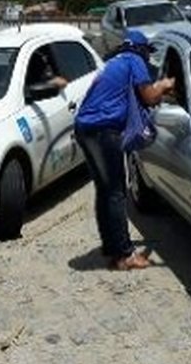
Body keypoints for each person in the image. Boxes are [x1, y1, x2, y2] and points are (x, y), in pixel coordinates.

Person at [74, 29, 175, 271]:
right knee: (117, 192)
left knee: (106, 190)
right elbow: (149, 97)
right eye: (147, 53)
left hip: (85, 128)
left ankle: (112, 246)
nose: (148, 59)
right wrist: (164, 84)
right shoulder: (134, 61)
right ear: (140, 49)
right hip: (102, 130)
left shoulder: (114, 62)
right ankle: (125, 255)